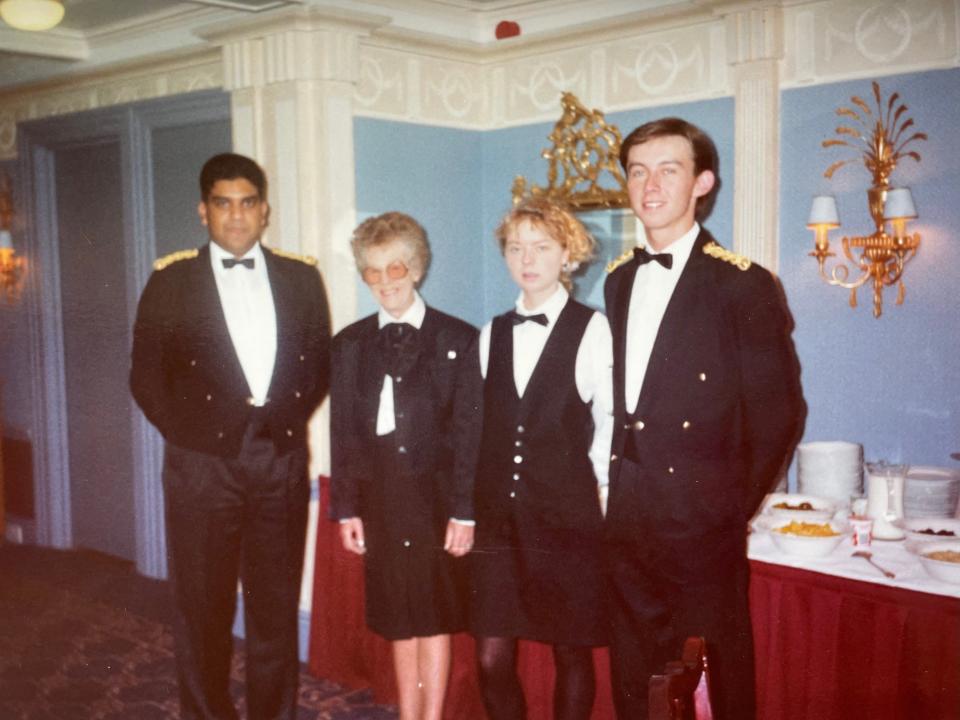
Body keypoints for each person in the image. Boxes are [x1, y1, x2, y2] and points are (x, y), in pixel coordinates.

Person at [603, 117, 805, 719]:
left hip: (702, 523)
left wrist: (724, 505)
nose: (651, 185)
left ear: (702, 183)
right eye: (638, 171)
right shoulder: (618, 281)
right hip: (628, 517)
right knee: (634, 671)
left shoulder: (741, 285)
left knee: (712, 679)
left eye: (669, 169)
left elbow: (779, 416)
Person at [130, 152, 331, 720]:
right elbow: (145, 378)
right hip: (202, 467)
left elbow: (317, 366)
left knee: (275, 608)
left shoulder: (301, 276)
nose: (237, 217)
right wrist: (195, 436)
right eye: (223, 204)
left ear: (264, 211)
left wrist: (281, 424)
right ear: (203, 211)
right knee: (202, 609)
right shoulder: (170, 281)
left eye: (247, 204)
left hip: (279, 461)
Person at [329, 212, 482, 720]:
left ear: (416, 268)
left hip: (435, 502)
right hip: (382, 502)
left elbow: (468, 435)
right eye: (371, 271)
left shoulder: (458, 339)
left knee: (434, 616)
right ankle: (408, 714)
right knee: (398, 617)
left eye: (394, 268)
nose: (384, 282)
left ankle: (432, 717)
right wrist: (347, 507)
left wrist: (465, 511)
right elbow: (345, 433)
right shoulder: (350, 344)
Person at [470, 198, 613, 720]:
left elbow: (611, 420)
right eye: (515, 247)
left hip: (566, 520)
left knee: (570, 653)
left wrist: (597, 488)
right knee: (490, 658)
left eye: (541, 247)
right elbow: (480, 430)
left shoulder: (591, 330)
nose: (527, 259)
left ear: (567, 255)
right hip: (500, 524)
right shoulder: (492, 334)